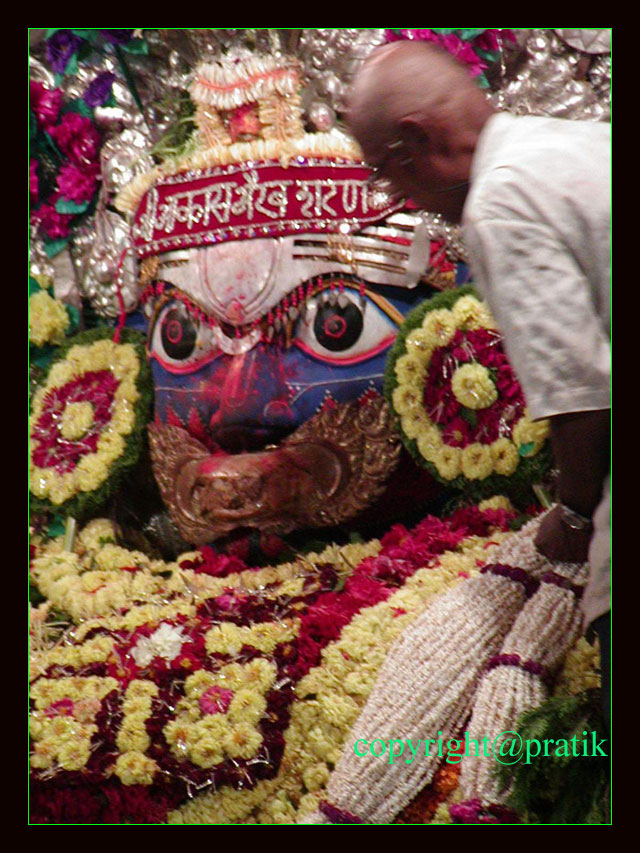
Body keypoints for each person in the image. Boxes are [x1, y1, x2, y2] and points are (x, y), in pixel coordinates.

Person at [347, 40, 611, 724]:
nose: (398, 197)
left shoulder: (501, 201)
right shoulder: (573, 145)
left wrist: (574, 518)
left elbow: (585, 397)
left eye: (385, 175)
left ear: (414, 142)